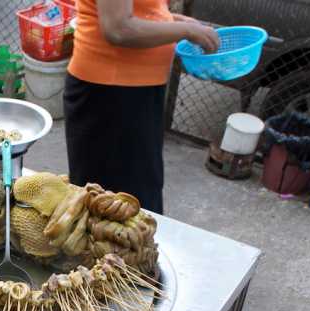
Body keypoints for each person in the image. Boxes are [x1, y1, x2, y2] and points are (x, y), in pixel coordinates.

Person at [64, 0, 219, 214]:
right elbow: (118, 28)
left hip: (134, 93)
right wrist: (186, 30)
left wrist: (176, 22)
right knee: (110, 207)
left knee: (139, 199)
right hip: (110, 96)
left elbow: (142, 10)